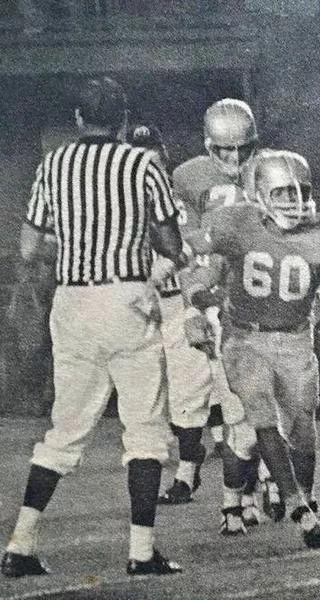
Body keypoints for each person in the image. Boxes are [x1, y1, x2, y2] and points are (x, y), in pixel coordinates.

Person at [2, 77, 183, 577]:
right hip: (127, 297)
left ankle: (21, 543)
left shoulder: (54, 163)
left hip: (73, 301)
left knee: (64, 430)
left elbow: (28, 246)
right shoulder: (141, 162)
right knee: (144, 430)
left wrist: (78, 251)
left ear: (78, 119)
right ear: (123, 121)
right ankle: (142, 552)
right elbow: (171, 243)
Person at [181, 150, 320, 549]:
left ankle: (305, 498)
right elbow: (196, 269)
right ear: (257, 195)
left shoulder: (318, 231)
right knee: (257, 418)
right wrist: (193, 306)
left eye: (301, 192)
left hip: (296, 337)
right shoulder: (235, 225)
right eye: (282, 193)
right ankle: (297, 509)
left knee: (302, 429)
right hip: (245, 337)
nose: (294, 201)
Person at [171, 98, 275, 529]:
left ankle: (264, 481)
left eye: (243, 149)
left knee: (274, 397)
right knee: (234, 403)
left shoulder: (273, 167)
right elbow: (183, 250)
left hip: (265, 290)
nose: (235, 160)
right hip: (218, 296)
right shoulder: (188, 178)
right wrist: (189, 308)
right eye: (224, 151)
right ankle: (244, 493)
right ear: (208, 146)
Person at [126, 123, 216, 507]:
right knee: (158, 393)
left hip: (184, 299)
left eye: (154, 157)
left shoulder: (181, 194)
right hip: (146, 304)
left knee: (191, 388)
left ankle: (189, 471)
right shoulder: (121, 196)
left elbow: (190, 248)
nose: (148, 163)